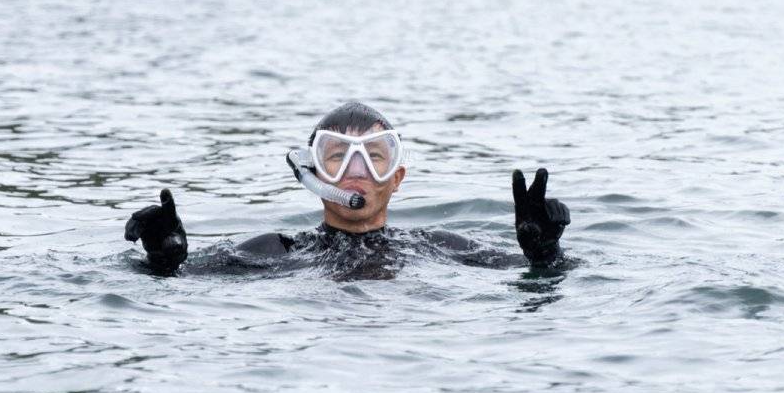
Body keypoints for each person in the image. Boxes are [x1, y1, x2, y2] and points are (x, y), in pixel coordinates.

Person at [124, 101, 570, 276]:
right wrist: (162, 260)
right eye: (337, 157)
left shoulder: (443, 247)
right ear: (314, 176)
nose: (356, 170)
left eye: (374, 157)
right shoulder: (271, 250)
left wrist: (545, 254)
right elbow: (180, 280)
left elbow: (546, 276)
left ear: (397, 177)